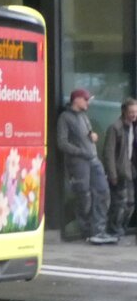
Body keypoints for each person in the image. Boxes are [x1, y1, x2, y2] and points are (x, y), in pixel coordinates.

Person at [57, 88, 113, 244]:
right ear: (77, 100)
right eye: (86, 99)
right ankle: (88, 231)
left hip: (93, 159)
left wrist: (92, 136)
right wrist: (81, 151)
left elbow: (88, 134)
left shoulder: (84, 116)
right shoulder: (65, 117)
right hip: (79, 163)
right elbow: (62, 143)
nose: (88, 102)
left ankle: (99, 231)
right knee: (84, 196)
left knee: (103, 191)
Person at [103, 98, 137, 239]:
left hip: (130, 171)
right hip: (119, 172)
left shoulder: (133, 127)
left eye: (135, 111)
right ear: (124, 111)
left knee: (130, 203)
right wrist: (112, 174)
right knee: (118, 203)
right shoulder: (115, 128)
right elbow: (108, 153)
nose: (133, 114)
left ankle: (121, 228)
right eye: (131, 112)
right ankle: (114, 230)